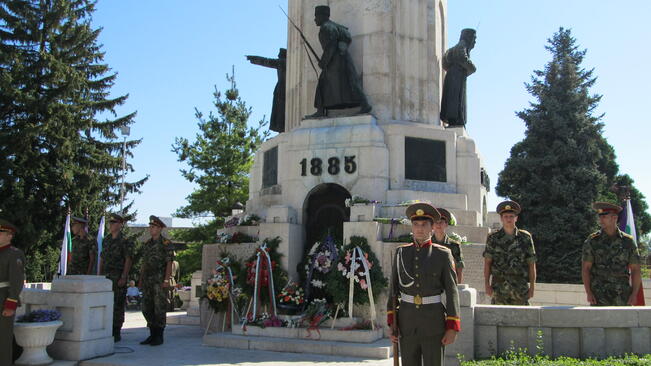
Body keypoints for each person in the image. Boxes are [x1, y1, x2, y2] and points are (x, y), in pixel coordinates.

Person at [387, 203, 460, 366]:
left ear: (432, 227)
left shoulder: (443, 254)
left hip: (433, 323)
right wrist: (392, 322)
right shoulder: (401, 253)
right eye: (416, 224)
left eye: (424, 224)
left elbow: (451, 291)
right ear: (412, 227)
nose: (419, 228)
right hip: (407, 322)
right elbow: (393, 290)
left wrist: (452, 326)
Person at [308, 5, 371, 118]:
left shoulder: (326, 28)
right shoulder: (335, 26)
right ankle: (364, 104)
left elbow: (330, 47)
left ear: (322, 16)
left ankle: (320, 111)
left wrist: (323, 62)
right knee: (351, 82)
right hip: (342, 60)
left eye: (316, 16)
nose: (315, 19)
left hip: (335, 62)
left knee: (322, 84)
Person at [582, 202, 641, 306]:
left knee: (623, 322)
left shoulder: (628, 241)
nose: (600, 220)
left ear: (614, 218)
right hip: (599, 297)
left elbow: (635, 269)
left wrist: (634, 294)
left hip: (622, 296)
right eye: (600, 217)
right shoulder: (592, 241)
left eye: (604, 217)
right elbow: (586, 268)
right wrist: (589, 292)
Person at [483, 201, 536, 305]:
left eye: (511, 216)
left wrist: (532, 287)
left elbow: (531, 264)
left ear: (516, 218)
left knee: (521, 319)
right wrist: (486, 284)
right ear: (501, 218)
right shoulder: (493, 238)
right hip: (499, 289)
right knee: (499, 319)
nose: (509, 219)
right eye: (506, 216)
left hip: (520, 289)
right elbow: (488, 263)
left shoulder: (525, 238)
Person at [139, 215, 174, 346]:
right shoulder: (147, 244)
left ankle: (159, 335)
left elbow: (169, 263)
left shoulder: (166, 244)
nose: (151, 229)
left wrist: (166, 280)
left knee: (159, 308)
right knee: (146, 308)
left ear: (159, 229)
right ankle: (152, 334)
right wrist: (141, 279)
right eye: (150, 226)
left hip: (159, 281)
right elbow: (144, 264)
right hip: (148, 280)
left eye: (153, 227)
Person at [99, 213, 134, 342]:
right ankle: (107, 329)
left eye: (114, 223)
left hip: (118, 276)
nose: (111, 225)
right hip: (106, 277)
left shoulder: (125, 241)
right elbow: (102, 258)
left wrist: (124, 277)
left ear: (120, 225)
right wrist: (99, 275)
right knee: (106, 303)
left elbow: (128, 259)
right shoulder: (107, 239)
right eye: (110, 223)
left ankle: (116, 330)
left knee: (118, 305)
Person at [440, 28, 477, 127]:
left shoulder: (454, 48)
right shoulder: (462, 45)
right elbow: (462, 57)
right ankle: (455, 120)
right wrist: (472, 68)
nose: (475, 42)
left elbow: (445, 62)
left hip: (455, 76)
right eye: (474, 38)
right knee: (455, 99)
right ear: (468, 37)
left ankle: (456, 120)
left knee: (455, 99)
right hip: (456, 77)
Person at [0, 219, 25, 366]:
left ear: (10, 235)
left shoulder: (14, 254)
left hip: (3, 299)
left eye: (1, 232)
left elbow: (16, 281)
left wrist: (11, 304)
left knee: (3, 340)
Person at [246, 48, 286, 133]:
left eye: (279, 56)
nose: (278, 58)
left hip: (283, 90)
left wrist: (254, 59)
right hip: (280, 90)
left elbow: (267, 62)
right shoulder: (283, 62)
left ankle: (281, 129)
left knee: (281, 111)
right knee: (279, 111)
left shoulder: (284, 62)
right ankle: (280, 129)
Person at [433, 208, 464, 283]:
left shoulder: (454, 245)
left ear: (446, 224)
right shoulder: (427, 244)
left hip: (448, 283)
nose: (438, 224)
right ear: (432, 225)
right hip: (431, 285)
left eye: (441, 222)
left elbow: (459, 269)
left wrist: (458, 287)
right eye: (436, 222)